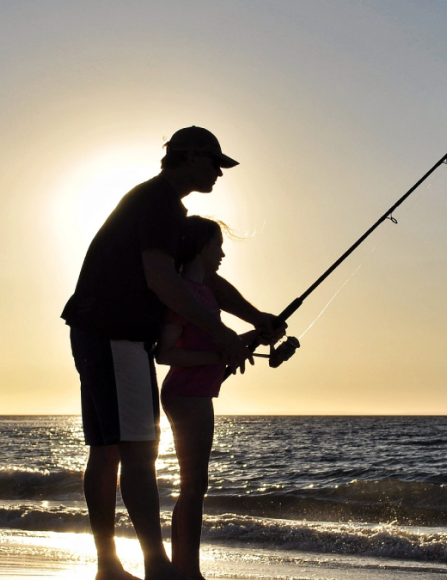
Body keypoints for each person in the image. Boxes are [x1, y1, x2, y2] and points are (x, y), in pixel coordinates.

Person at [61, 127, 285, 580]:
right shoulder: (160, 202)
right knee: (139, 451)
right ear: (192, 158)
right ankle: (156, 567)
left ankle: (109, 567)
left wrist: (254, 316)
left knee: (106, 451)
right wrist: (221, 334)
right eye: (215, 163)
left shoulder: (162, 206)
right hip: (116, 333)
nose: (220, 173)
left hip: (92, 329)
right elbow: (164, 279)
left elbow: (196, 280)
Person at [156, 216, 298, 580]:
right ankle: (187, 572)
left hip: (196, 394)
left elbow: (220, 344)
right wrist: (217, 356)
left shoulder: (202, 292)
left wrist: (257, 332)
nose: (222, 254)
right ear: (202, 248)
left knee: (194, 487)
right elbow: (165, 353)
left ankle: (187, 569)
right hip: (187, 397)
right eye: (218, 246)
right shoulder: (185, 293)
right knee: (193, 487)